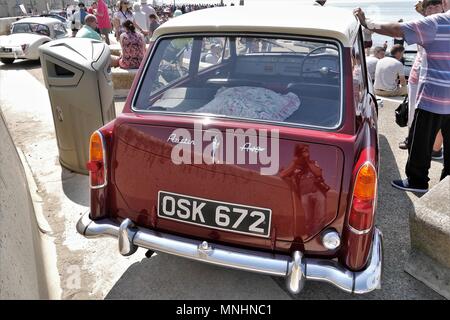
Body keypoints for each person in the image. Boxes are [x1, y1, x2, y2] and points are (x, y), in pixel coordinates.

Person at [354, 1, 450, 193]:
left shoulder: (437, 23)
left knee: (420, 140)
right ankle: (446, 185)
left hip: (434, 96)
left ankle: (417, 181)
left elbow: (397, 29)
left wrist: (367, 23)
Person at [399, 0, 445, 154]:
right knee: (414, 112)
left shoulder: (443, 23)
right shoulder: (425, 23)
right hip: (417, 74)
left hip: (437, 78)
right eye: (429, 8)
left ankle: (435, 149)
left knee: (440, 115)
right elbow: (419, 7)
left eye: (436, 6)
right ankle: (411, 140)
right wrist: (425, 7)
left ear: (444, 5)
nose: (432, 10)